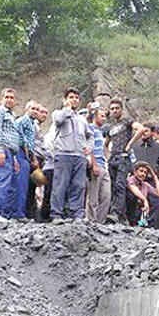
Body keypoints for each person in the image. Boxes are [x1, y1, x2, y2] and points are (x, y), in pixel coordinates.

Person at [49, 88, 91, 221]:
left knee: (78, 186)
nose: (74, 100)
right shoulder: (58, 113)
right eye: (71, 97)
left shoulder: (82, 119)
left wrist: (88, 147)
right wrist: (67, 108)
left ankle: (77, 214)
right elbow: (58, 121)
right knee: (60, 185)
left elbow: (90, 136)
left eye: (77, 98)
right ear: (65, 99)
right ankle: (56, 214)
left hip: (79, 156)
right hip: (63, 154)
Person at [103, 98, 144, 222]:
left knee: (120, 185)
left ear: (122, 109)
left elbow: (141, 129)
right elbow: (105, 144)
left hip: (124, 158)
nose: (114, 111)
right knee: (114, 186)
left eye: (117, 108)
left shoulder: (127, 121)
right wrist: (108, 156)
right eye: (112, 109)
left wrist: (130, 145)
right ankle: (119, 215)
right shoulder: (111, 126)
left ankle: (116, 213)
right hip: (113, 159)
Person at [0, 88, 20, 222]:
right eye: (6, 97)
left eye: (12, 97)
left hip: (10, 152)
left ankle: (5, 215)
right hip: (2, 150)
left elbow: (13, 137)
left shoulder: (12, 115)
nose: (9, 99)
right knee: (1, 182)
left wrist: (15, 158)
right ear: (1, 99)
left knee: (11, 186)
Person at [12, 100, 41, 221]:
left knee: (25, 185)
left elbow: (31, 142)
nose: (35, 111)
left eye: (36, 109)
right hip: (21, 153)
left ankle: (21, 212)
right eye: (32, 109)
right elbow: (18, 135)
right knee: (20, 184)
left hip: (27, 155)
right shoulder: (22, 120)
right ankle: (18, 213)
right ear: (27, 109)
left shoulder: (32, 123)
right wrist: (26, 149)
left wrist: (32, 156)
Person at [86, 107, 111, 224]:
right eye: (102, 116)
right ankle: (91, 220)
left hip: (104, 165)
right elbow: (89, 147)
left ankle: (100, 222)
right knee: (93, 196)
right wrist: (94, 164)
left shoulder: (101, 132)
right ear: (95, 116)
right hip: (96, 165)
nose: (104, 119)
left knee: (106, 196)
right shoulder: (90, 128)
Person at [126, 161, 159, 226]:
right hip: (129, 209)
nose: (143, 174)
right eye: (141, 171)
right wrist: (144, 200)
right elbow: (132, 188)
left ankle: (148, 224)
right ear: (135, 172)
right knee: (133, 197)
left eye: (145, 172)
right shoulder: (130, 179)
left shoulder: (145, 185)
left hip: (140, 210)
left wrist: (155, 177)